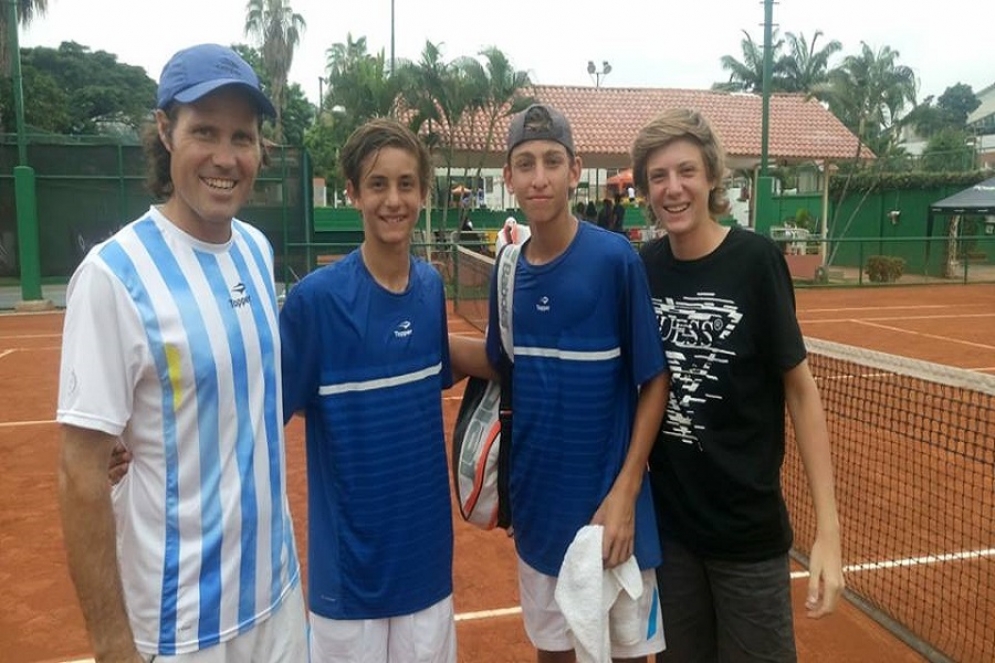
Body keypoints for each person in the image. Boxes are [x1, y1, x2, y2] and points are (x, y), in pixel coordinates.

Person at [56, 43, 306, 662]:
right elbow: (80, 475)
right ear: (166, 132)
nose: (226, 158)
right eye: (205, 132)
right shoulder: (113, 276)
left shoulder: (254, 248)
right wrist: (113, 645)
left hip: (277, 599)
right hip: (179, 628)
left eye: (242, 137)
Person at [451, 103, 671, 663]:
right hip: (539, 516)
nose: (539, 177)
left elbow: (654, 380)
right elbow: (505, 364)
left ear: (575, 171)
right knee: (554, 656)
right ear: (508, 178)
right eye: (525, 164)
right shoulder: (506, 270)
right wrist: (427, 343)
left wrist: (624, 494)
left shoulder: (615, 260)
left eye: (552, 162)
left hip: (613, 519)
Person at [631, 108, 844, 662]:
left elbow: (800, 389)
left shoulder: (755, 262)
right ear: (645, 189)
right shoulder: (644, 267)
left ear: (711, 178)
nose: (673, 189)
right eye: (659, 177)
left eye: (686, 172)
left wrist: (828, 532)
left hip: (748, 541)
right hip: (673, 539)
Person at [279, 118, 458, 662]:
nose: (393, 199)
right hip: (348, 579)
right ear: (353, 193)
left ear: (423, 193)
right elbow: (258, 413)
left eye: (406, 184)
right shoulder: (314, 302)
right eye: (377, 184)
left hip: (426, 566)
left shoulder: (430, 288)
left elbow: (437, 359)